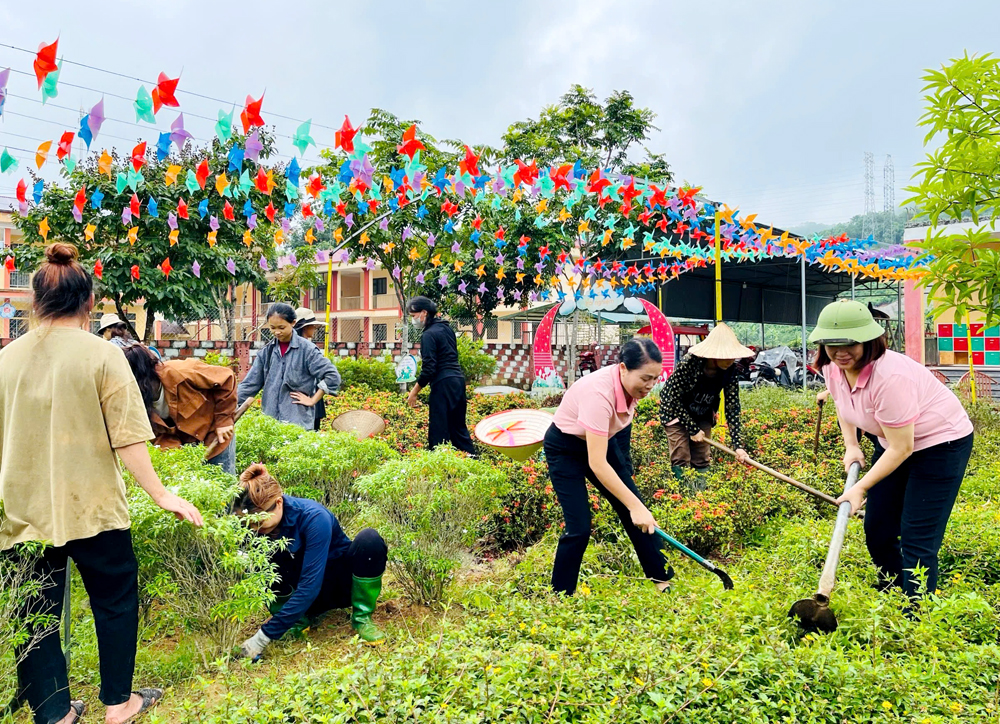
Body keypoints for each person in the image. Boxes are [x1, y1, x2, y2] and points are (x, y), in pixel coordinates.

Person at [0, 243, 203, 724]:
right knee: (114, 602)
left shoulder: (5, 360)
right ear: (89, 302)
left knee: (35, 615)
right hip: (92, 507)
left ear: (34, 301)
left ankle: (54, 715)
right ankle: (119, 705)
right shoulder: (102, 356)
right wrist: (162, 493)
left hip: (22, 509)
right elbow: (130, 437)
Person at [810, 299, 974, 601]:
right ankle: (895, 589)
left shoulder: (890, 376)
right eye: (832, 345)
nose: (841, 352)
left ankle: (917, 614)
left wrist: (860, 487)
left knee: (917, 537)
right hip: (890, 443)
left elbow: (903, 447)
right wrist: (852, 445)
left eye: (850, 344)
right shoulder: (833, 369)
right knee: (878, 529)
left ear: (870, 341)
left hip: (940, 446)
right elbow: (843, 405)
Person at [544, 338, 672, 596]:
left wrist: (631, 495)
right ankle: (560, 595)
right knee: (579, 526)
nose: (650, 386)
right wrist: (634, 504)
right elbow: (597, 463)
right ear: (623, 369)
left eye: (655, 379)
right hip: (565, 448)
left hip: (605, 440)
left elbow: (621, 426)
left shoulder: (631, 387)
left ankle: (662, 580)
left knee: (635, 510)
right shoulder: (598, 394)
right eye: (645, 378)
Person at [235, 464, 388, 658]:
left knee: (370, 540)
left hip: (337, 587)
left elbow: (310, 586)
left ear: (279, 502)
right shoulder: (252, 525)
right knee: (261, 556)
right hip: (299, 595)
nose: (255, 527)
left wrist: (262, 638)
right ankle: (297, 621)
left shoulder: (314, 518)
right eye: (250, 521)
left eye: (260, 520)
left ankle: (362, 617)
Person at [122, 344, 238, 475]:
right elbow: (161, 436)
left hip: (216, 437)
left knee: (224, 485)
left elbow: (227, 377)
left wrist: (224, 420)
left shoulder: (183, 371)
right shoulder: (138, 402)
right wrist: (179, 460)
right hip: (188, 447)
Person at [659, 323, 751, 478]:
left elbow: (732, 407)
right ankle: (680, 496)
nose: (730, 360)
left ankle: (700, 498)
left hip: (702, 411)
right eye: (726, 356)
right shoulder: (689, 364)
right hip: (675, 411)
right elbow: (674, 399)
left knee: (702, 456)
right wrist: (692, 429)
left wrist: (737, 446)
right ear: (715, 355)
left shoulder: (731, 371)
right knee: (681, 455)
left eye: (732, 356)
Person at [237, 303, 341, 430]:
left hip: (297, 423)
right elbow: (249, 386)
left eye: (281, 327)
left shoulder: (307, 350)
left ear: (293, 323)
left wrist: (313, 400)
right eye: (272, 328)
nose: (277, 332)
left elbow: (332, 376)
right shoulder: (266, 353)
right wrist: (224, 406)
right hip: (270, 424)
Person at [405, 297, 476, 455]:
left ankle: (439, 470)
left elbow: (429, 369)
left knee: (439, 432)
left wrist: (414, 392)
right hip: (457, 381)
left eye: (413, 315)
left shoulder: (428, 335)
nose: (413, 320)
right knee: (458, 429)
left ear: (424, 313)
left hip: (443, 385)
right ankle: (473, 463)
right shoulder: (446, 328)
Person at [294, 307, 330, 432]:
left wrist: (313, 399)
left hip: (307, 401)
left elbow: (328, 375)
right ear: (305, 327)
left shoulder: (306, 349)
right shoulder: (306, 349)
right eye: (313, 326)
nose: (314, 329)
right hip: (303, 402)